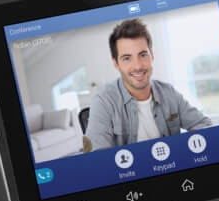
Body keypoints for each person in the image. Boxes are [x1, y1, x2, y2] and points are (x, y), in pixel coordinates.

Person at [85, 18, 212, 150]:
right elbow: (96, 155)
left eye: (143, 55)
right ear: (116, 63)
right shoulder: (103, 102)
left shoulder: (169, 93)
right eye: (127, 58)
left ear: (152, 55)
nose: (138, 66)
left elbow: (204, 125)